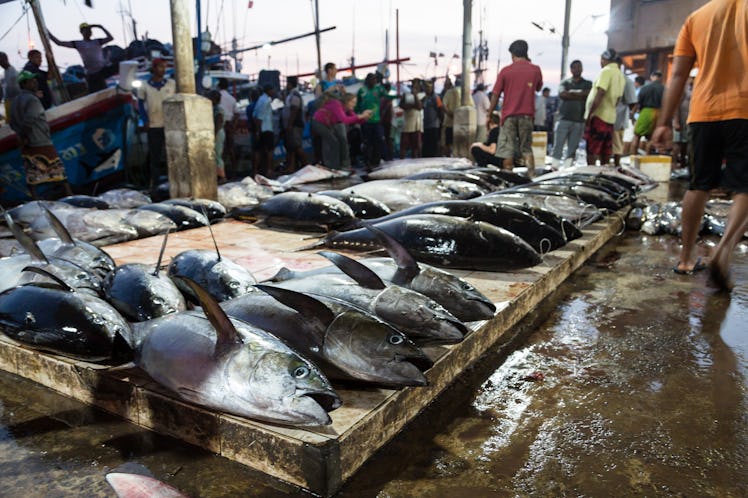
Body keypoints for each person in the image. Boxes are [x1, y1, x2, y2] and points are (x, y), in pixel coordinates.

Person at [650, 0, 748, 292]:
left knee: (698, 185)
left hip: (703, 113)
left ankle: (685, 258)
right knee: (745, 187)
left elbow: (678, 75)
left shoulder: (696, 17)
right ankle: (723, 250)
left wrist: (664, 122)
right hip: (744, 110)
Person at [9, 71, 72, 199]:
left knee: (32, 174)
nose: (35, 82)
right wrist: (25, 135)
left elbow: (12, 123)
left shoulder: (15, 101)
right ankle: (70, 195)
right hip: (40, 140)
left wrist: (21, 136)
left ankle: (35, 200)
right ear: (24, 83)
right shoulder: (33, 99)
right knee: (57, 169)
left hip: (27, 145)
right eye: (31, 81)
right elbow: (30, 119)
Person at [487, 39, 543, 176]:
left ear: (512, 54)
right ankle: (531, 176)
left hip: (508, 117)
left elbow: (495, 94)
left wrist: (489, 114)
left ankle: (508, 177)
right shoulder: (535, 70)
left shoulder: (506, 71)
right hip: (526, 116)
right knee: (526, 149)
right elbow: (538, 87)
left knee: (507, 149)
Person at [136, 58, 176, 190]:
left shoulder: (171, 84)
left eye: (164, 67)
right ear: (153, 68)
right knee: (155, 156)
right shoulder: (144, 86)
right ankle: (155, 184)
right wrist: (145, 120)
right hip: (153, 126)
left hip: (170, 126)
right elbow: (140, 105)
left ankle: (174, 181)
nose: (163, 70)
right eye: (160, 67)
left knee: (173, 155)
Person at [583, 48, 624, 166]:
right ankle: (603, 173)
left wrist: (590, 114)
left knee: (592, 149)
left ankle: (590, 174)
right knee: (605, 150)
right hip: (610, 117)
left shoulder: (606, 71)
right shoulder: (620, 74)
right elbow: (618, 99)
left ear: (604, 59)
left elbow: (601, 92)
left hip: (599, 116)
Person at [48, 23, 117, 93]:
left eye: (89, 30)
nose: (88, 32)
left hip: (102, 70)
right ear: (81, 32)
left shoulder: (97, 41)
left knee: (119, 66)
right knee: (96, 91)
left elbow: (110, 38)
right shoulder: (78, 43)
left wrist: (100, 27)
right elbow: (59, 43)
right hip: (92, 75)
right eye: (86, 30)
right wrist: (47, 32)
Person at [312, 91, 371, 170]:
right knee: (333, 142)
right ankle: (333, 166)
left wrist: (364, 118)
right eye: (353, 102)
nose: (354, 104)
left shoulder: (347, 109)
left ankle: (338, 166)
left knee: (337, 142)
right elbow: (344, 120)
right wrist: (361, 116)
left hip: (327, 124)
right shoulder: (336, 104)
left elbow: (356, 119)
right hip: (318, 122)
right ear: (347, 101)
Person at [551, 60, 592, 168]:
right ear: (571, 69)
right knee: (558, 144)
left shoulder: (588, 83)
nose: (577, 69)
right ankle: (554, 166)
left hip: (579, 120)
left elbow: (589, 94)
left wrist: (572, 93)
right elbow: (562, 94)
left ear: (582, 69)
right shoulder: (565, 82)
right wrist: (580, 94)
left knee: (573, 146)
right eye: (574, 67)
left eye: (579, 67)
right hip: (564, 118)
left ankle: (568, 166)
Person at [356, 73, 387, 168]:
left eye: (375, 80)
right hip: (365, 121)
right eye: (372, 79)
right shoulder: (362, 90)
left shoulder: (378, 89)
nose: (374, 81)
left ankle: (376, 160)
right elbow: (357, 105)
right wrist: (358, 116)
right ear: (367, 80)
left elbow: (387, 96)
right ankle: (367, 161)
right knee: (367, 142)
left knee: (378, 140)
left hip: (376, 121)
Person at [632, 71, 665, 154]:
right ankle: (647, 157)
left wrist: (633, 114)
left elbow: (638, 103)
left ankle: (633, 156)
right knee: (651, 138)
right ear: (661, 78)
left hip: (645, 112)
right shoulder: (664, 89)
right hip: (658, 113)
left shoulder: (645, 88)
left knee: (637, 136)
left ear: (652, 77)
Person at [613, 58, 637, 166]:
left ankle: (616, 166)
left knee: (617, 144)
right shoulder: (606, 77)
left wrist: (631, 116)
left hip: (618, 118)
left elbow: (633, 102)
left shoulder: (626, 81)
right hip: (605, 119)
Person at [282, 76, 307, 172]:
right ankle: (291, 167)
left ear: (290, 84)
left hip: (295, 125)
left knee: (296, 146)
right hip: (292, 125)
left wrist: (289, 124)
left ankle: (306, 164)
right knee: (291, 147)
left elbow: (294, 110)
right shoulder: (290, 95)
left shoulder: (295, 95)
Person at [252, 84, 276, 177]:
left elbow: (255, 115)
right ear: (269, 90)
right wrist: (259, 130)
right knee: (269, 150)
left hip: (261, 128)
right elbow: (259, 118)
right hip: (266, 128)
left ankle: (255, 171)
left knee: (258, 150)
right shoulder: (266, 101)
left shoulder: (260, 100)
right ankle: (269, 170)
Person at [217, 78, 237, 176]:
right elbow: (236, 113)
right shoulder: (232, 98)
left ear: (219, 86)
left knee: (220, 149)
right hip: (230, 124)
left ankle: (222, 172)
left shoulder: (217, 97)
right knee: (230, 148)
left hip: (219, 124)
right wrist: (233, 125)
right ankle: (234, 169)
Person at [399, 78, 422, 159]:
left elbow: (419, 107)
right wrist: (412, 105)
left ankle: (416, 161)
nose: (415, 86)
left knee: (416, 146)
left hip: (417, 124)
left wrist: (415, 95)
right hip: (406, 124)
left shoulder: (422, 94)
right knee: (404, 145)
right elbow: (401, 105)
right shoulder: (406, 94)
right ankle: (402, 162)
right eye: (413, 84)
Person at [207, 90, 227, 182]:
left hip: (218, 133)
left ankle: (222, 176)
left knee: (217, 155)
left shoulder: (218, 108)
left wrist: (214, 134)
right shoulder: (216, 107)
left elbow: (219, 121)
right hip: (217, 132)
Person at [421, 80, 443, 157]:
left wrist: (440, 121)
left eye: (428, 87)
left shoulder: (436, 97)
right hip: (426, 125)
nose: (426, 89)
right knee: (427, 146)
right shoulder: (425, 98)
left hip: (434, 125)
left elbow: (440, 109)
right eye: (425, 87)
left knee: (434, 145)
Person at [441, 77, 462, 157]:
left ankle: (448, 159)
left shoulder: (448, 92)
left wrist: (450, 114)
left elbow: (443, 106)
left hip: (449, 123)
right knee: (456, 144)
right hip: (459, 123)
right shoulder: (464, 93)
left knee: (448, 143)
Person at [1, 52, 20, 123]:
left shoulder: (13, 72)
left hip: (14, 103)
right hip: (8, 103)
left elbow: (15, 90)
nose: (0, 64)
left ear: (6, 59)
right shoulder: (5, 72)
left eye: (1, 61)